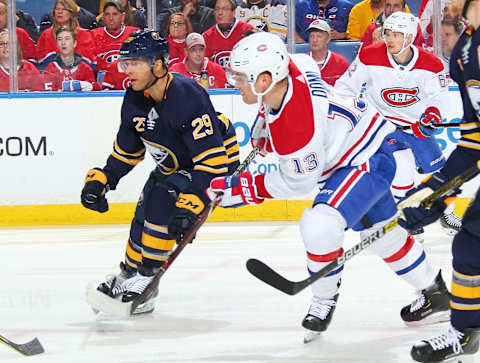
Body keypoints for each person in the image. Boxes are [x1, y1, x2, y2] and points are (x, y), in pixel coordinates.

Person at [209, 31, 450, 342]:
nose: (235, 83)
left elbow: (297, 183)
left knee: (320, 224)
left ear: (266, 78)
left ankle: (323, 299)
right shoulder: (292, 67)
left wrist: (241, 189)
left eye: (242, 77)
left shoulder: (296, 127)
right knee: (380, 236)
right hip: (368, 143)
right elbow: (305, 61)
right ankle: (434, 291)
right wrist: (263, 122)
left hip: (364, 159)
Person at [81, 30, 239, 314]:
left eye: (134, 63)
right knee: (142, 214)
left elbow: (211, 161)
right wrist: (104, 178)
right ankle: (129, 273)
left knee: (163, 202)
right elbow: (127, 151)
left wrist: (195, 200)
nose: (127, 70)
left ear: (157, 64)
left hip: (205, 166)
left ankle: (148, 278)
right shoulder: (134, 97)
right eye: (125, 63)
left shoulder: (187, 95)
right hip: (172, 165)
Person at [400, 0, 480, 359]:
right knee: (469, 246)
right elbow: (474, 138)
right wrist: (437, 190)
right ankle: (464, 333)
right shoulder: (464, 52)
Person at [335, 12, 448, 242]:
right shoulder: (369, 56)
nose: (389, 39)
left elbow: (438, 98)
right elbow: (345, 87)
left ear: (409, 37)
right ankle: (404, 220)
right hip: (383, 127)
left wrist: (432, 116)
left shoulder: (431, 64)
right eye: (387, 33)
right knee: (402, 169)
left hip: (415, 127)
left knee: (440, 172)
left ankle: (448, 214)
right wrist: (349, 113)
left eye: (396, 34)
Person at [37, 0, 97, 71]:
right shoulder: (46, 34)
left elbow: (88, 62)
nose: (60, 12)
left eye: (64, 9)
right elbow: (41, 62)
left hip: (78, 76)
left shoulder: (84, 34)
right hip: (52, 75)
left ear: (72, 13)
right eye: (57, 9)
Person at [43, 27, 101, 91]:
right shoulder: (51, 68)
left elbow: (94, 90)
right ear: (56, 44)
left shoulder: (85, 68)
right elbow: (48, 93)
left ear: (74, 43)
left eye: (67, 39)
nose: (63, 43)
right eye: (60, 39)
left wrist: (88, 86)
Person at [91, 1, 139, 73]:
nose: (111, 18)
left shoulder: (134, 34)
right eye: (107, 14)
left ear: (122, 16)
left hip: (128, 79)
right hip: (102, 80)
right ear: (103, 17)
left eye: (115, 14)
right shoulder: (93, 35)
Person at [203, 0, 254, 68]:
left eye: (224, 9)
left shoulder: (247, 30)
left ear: (233, 12)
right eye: (217, 9)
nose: (220, 13)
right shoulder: (207, 36)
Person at [306, 19, 349, 86]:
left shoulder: (340, 62)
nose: (315, 40)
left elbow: (347, 90)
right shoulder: (302, 62)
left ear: (328, 39)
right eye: (312, 36)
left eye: (319, 36)